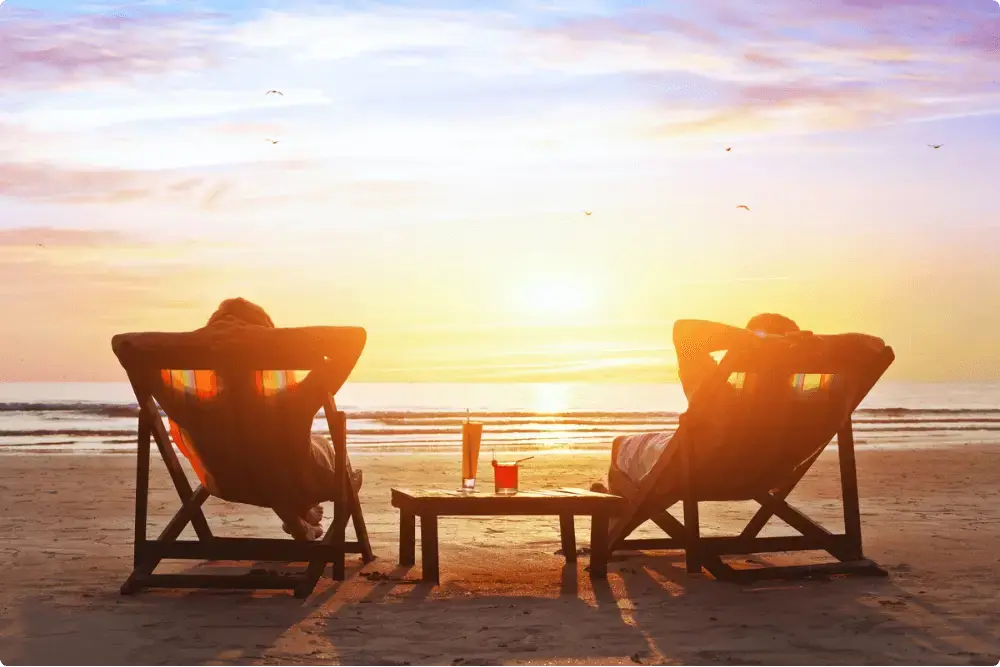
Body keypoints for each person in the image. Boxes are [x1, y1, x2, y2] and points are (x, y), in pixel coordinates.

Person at [205, 297, 362, 541]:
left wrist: (216, 337)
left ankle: (298, 517)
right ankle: (303, 511)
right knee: (311, 449)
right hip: (293, 480)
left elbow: (124, 344)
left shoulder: (195, 400)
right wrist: (270, 340)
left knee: (269, 457)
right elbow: (354, 338)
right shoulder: (290, 401)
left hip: (228, 481)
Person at [592, 313, 801, 494]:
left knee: (621, 446)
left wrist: (753, 339)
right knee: (653, 444)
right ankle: (615, 501)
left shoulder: (722, 397)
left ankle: (612, 514)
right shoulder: (802, 403)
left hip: (701, 467)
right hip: (766, 474)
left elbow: (683, 330)